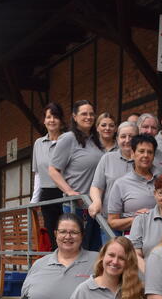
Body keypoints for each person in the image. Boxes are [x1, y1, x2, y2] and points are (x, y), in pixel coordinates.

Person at [49, 100, 105, 250]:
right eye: (84, 114)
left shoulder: (95, 140)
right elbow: (53, 170)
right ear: (74, 116)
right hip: (77, 207)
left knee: (94, 251)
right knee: (78, 251)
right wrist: (69, 191)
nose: (89, 117)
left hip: (95, 206)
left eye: (91, 114)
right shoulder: (68, 138)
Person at [89, 121, 139, 232]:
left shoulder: (144, 160)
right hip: (110, 224)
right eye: (123, 136)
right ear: (117, 139)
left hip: (138, 224)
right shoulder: (107, 158)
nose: (127, 140)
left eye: (131, 136)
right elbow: (96, 186)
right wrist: (97, 201)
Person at [107, 134, 157, 232]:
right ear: (133, 154)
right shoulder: (121, 184)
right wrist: (136, 220)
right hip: (133, 238)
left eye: (150, 152)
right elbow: (112, 221)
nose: (146, 155)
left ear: (154, 156)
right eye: (141, 151)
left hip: (161, 236)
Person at [33, 102, 66, 250]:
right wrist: (34, 201)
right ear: (44, 120)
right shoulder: (38, 144)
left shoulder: (69, 140)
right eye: (48, 117)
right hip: (47, 195)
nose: (52, 120)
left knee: (67, 233)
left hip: (66, 193)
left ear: (61, 120)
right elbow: (38, 174)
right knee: (53, 236)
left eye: (55, 117)